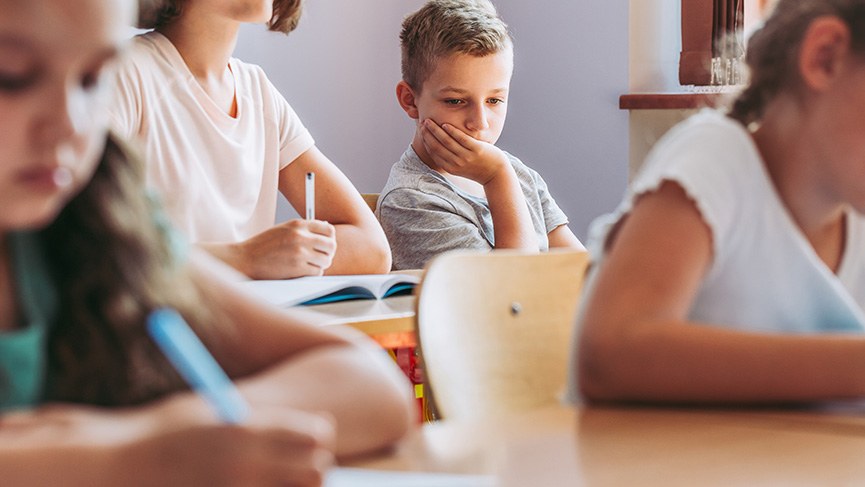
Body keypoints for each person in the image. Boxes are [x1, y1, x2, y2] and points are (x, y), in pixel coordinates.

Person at [0, 0, 414, 484]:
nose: (70, 124)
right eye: (11, 76)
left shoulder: (95, 229)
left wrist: (171, 434)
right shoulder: (142, 80)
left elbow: (375, 389)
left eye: (94, 79)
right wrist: (130, 457)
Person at [574, 0, 865, 404]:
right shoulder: (715, 160)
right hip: (647, 463)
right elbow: (611, 352)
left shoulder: (855, 213)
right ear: (825, 57)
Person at [110, 0, 392, 279]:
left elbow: (373, 248)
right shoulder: (122, 74)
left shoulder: (258, 92)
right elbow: (95, 250)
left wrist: (289, 257)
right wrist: (245, 258)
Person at [377, 0, 584, 271]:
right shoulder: (410, 202)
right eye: (455, 101)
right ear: (410, 100)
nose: (480, 122)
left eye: (495, 100)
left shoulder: (517, 173)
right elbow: (509, 298)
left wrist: (502, 174)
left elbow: (583, 271)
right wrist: (496, 178)